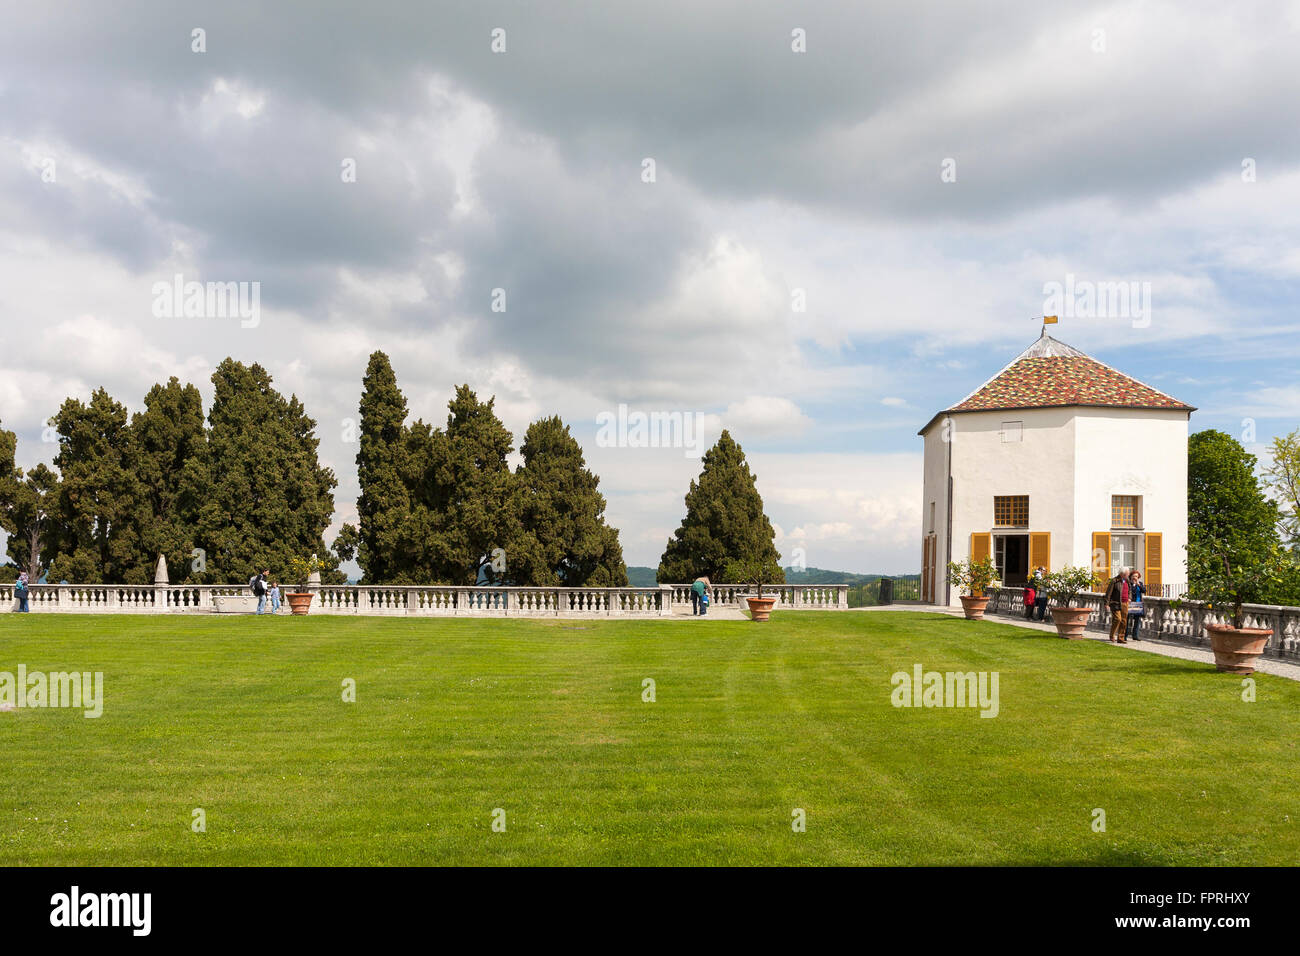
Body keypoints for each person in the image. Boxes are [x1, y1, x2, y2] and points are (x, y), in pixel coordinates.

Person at [1103, 568, 1131, 643]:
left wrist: (1129, 598)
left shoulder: (1127, 580)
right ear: (1122, 574)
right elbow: (1108, 593)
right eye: (1127, 574)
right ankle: (1112, 635)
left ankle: (1121, 638)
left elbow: (1130, 590)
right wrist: (1106, 604)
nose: (1128, 575)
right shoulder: (1114, 581)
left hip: (1125, 603)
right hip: (1115, 603)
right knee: (1117, 619)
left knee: (1124, 621)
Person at [1125, 570, 1145, 641]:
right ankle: (1125, 636)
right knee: (1126, 620)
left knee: (1137, 621)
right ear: (1131, 576)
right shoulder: (1128, 583)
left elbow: (1144, 591)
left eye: (1136, 576)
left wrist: (1139, 585)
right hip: (1129, 603)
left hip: (1137, 604)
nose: (1135, 578)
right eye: (1134, 576)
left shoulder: (1140, 584)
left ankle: (1135, 635)